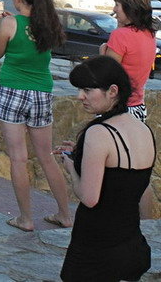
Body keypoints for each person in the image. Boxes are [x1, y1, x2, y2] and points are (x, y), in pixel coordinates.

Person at [55, 56, 155, 282]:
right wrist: (82, 154)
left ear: (112, 91)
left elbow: (90, 198)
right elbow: (125, 179)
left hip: (97, 249)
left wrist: (71, 166)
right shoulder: (143, 130)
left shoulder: (99, 133)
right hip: (130, 245)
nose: (81, 96)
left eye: (88, 90)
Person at [0, 0, 73, 232]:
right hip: (41, 93)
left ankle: (26, 219)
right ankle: (65, 215)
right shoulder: (46, 24)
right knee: (47, 157)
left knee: (18, 158)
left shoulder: (9, 24)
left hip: (13, 91)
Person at [100, 0, 157, 123]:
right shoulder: (149, 34)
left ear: (129, 7)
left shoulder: (120, 35)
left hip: (117, 109)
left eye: (117, 5)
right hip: (137, 107)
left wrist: (102, 53)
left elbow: (108, 74)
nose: (114, 9)